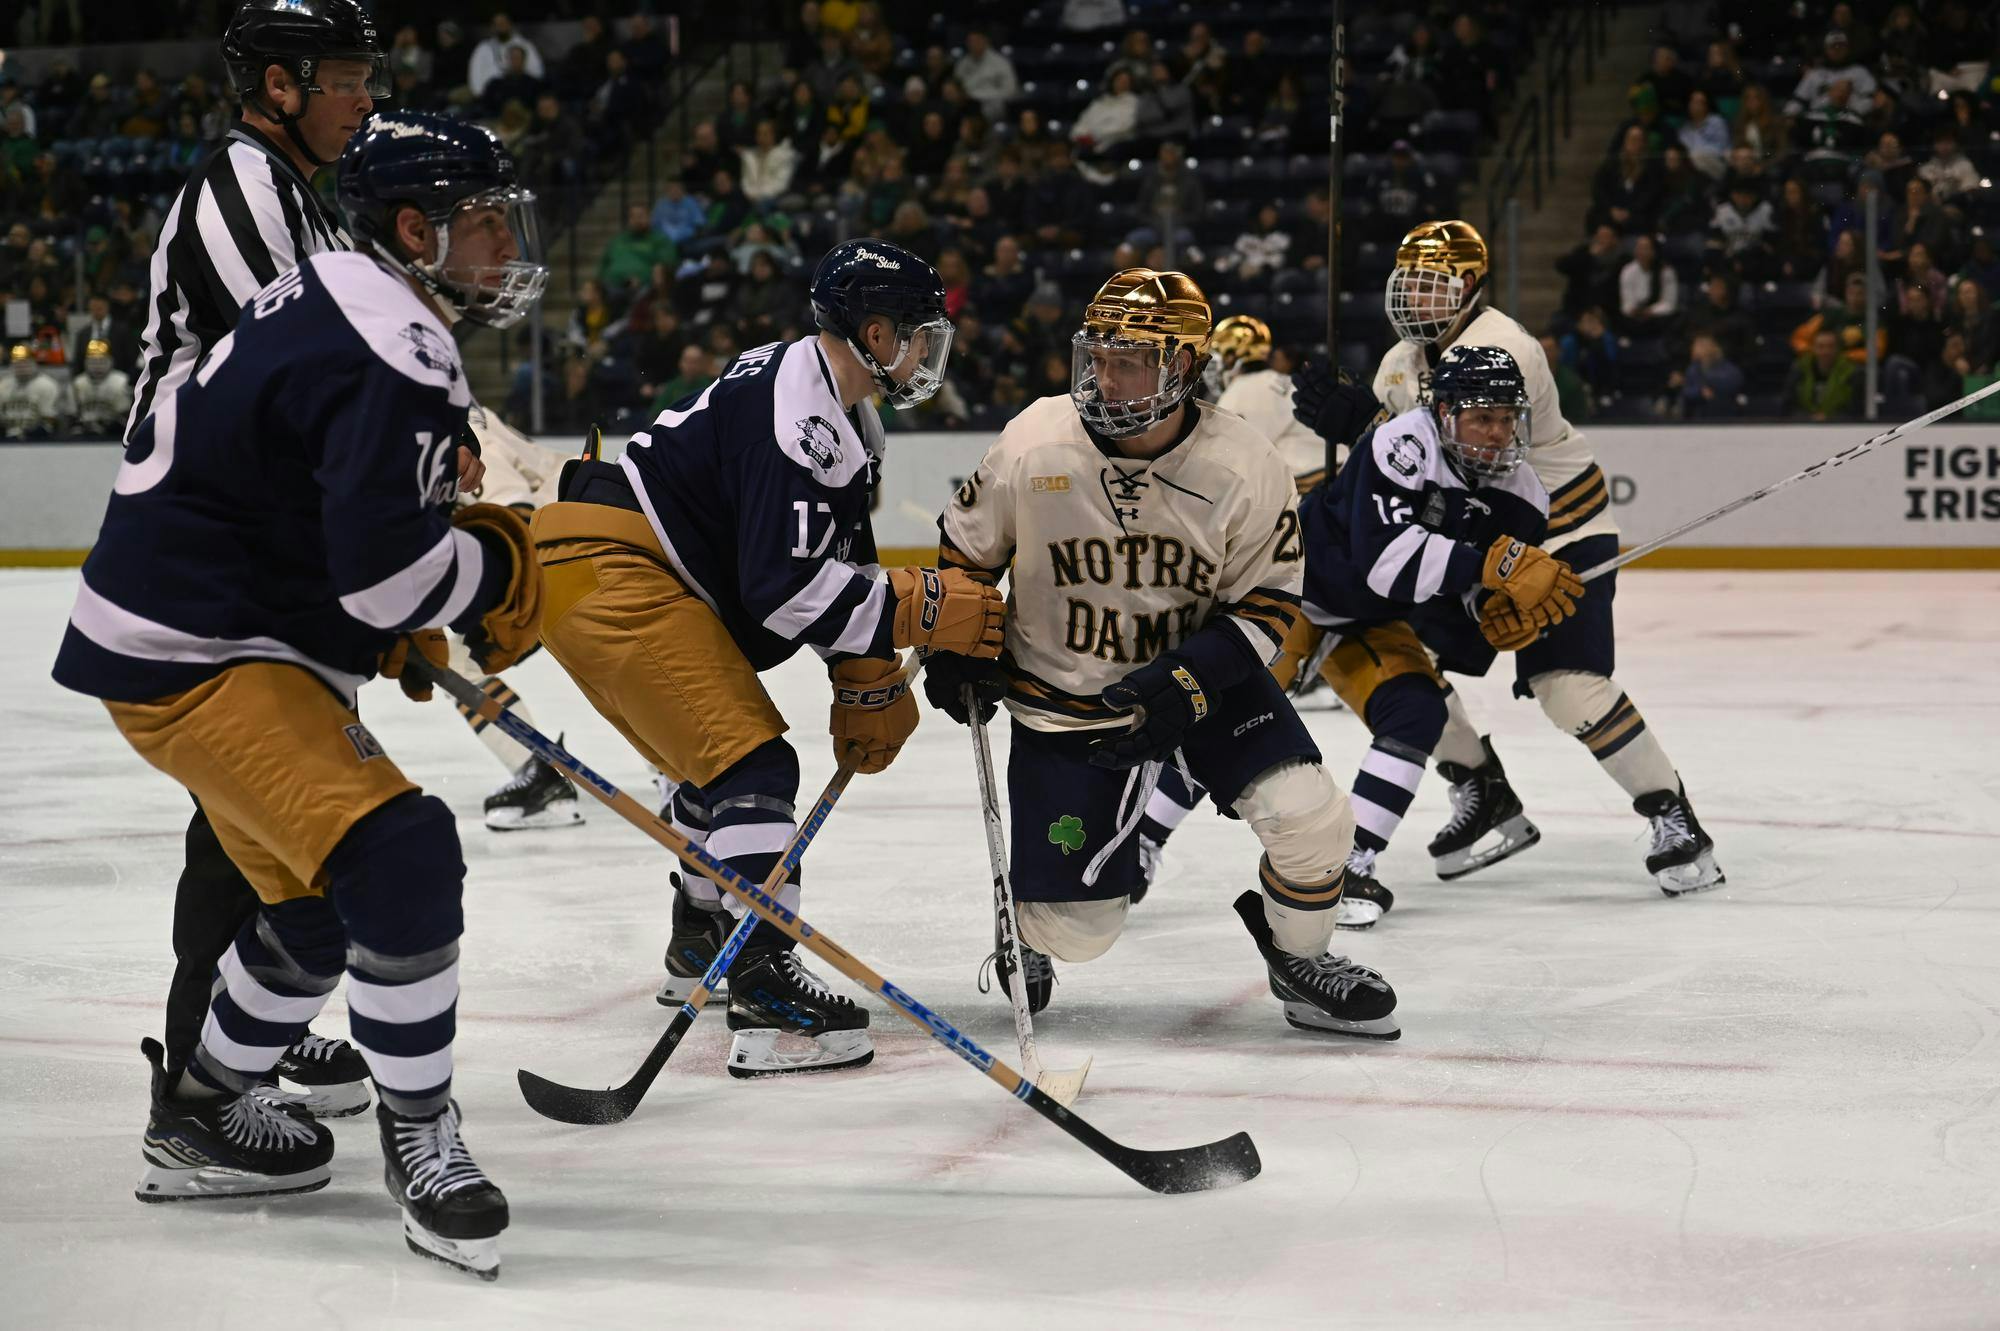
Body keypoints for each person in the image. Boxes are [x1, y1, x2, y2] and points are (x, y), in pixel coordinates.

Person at [49, 110, 549, 1279]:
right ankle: (420, 1135)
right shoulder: (398, 346)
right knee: (405, 850)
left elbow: (328, 521)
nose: (503, 246)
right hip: (203, 648)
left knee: (323, 904)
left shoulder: (333, 286)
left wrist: (386, 597)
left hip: (205, 629)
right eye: (483, 224)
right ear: (416, 231)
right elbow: (387, 582)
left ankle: (203, 1111)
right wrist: (494, 570)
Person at [527, 239, 1006, 1075]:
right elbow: (782, 590)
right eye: (920, 334)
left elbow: (839, 559)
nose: (929, 352)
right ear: (875, 331)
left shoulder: (839, 407)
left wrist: (868, 676)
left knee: (713, 772)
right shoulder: (803, 420)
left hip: (618, 562)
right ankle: (762, 983)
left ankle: (701, 938)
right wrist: (922, 609)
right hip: (614, 570)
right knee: (752, 765)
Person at [923, 267, 1397, 1038]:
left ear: (1182, 364)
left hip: (1205, 679)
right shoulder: (1036, 438)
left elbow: (1271, 602)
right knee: (1083, 929)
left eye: (1129, 360)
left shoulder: (1243, 461)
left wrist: (1190, 683)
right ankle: (1034, 922)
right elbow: (966, 553)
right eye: (1097, 357)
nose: (1105, 378)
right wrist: (957, 642)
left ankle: (1301, 958)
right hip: (1067, 697)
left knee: (1313, 820)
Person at [1273, 221, 1724, 911]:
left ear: (1472, 287)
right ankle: (1482, 788)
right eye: (1412, 280)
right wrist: (1366, 427)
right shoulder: (1401, 360)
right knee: (1410, 666)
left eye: (1436, 283)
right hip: (1466, 543)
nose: (1419, 296)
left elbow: (1473, 451)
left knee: (1567, 685)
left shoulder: (1504, 345)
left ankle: (1676, 819)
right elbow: (1414, 464)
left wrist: (1364, 421)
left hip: (1555, 534)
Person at [122, 0, 390, 1124]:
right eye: (343, 77)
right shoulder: (243, 195)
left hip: (253, 544)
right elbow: (300, 377)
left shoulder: (295, 199)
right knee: (245, 798)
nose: (364, 97)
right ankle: (201, 1056)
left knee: (249, 810)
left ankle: (243, 1020)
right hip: (209, 547)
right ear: (278, 86)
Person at [1207, 314, 1328, 490]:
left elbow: (1229, 462)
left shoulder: (1243, 390)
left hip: (1310, 482)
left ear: (1231, 357)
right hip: (1332, 472)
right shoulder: (1275, 381)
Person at [71, 338, 133, 435]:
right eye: (93, 362)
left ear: (111, 362)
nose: (97, 366)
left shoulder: (122, 381)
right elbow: (72, 416)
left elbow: (125, 416)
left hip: (114, 434)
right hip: (84, 435)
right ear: (85, 363)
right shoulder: (78, 383)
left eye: (102, 362)